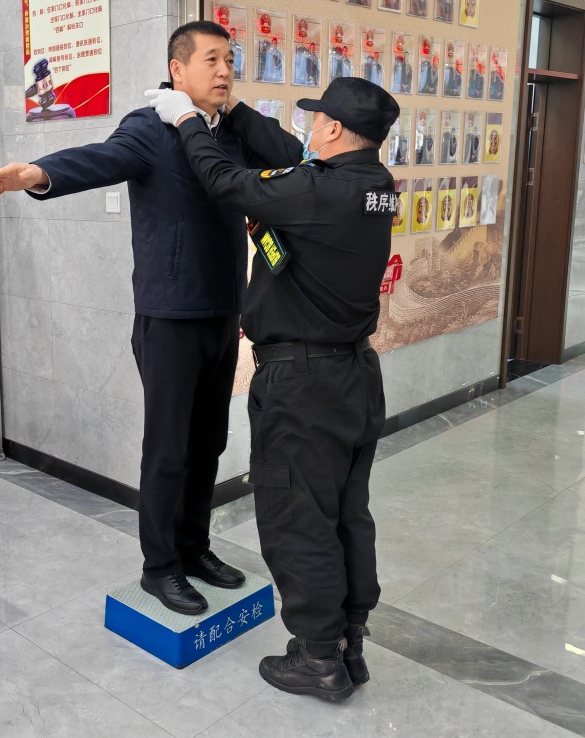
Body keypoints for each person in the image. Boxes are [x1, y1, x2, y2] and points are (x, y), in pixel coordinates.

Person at [0, 21, 264, 616]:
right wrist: (39, 173)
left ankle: (194, 548)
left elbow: (285, 160)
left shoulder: (229, 133)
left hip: (222, 312)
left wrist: (237, 112)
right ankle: (160, 566)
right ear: (177, 69)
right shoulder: (151, 127)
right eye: (212, 60)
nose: (224, 71)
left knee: (208, 443)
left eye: (229, 61)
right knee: (168, 449)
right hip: (170, 317)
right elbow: (100, 159)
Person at [147, 77, 399, 703]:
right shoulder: (372, 187)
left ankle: (318, 658)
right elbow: (291, 156)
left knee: (297, 518)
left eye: (316, 121)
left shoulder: (318, 190)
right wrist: (232, 109)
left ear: (333, 129)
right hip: (354, 378)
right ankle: (349, 642)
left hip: (303, 386)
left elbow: (226, 182)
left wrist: (187, 121)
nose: (308, 130)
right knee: (346, 514)